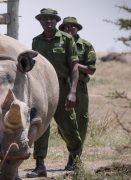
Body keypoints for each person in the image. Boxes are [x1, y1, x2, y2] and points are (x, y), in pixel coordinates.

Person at [26, 8, 83, 178]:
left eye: (51, 19)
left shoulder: (66, 39)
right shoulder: (36, 41)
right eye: (44, 19)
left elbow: (74, 67)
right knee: (40, 126)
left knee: (69, 127)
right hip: (42, 89)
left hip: (62, 87)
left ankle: (75, 160)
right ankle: (40, 165)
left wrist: (72, 92)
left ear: (56, 21)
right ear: (40, 22)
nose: (48, 22)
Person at [59, 16, 96, 170]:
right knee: (63, 125)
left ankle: (74, 159)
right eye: (66, 27)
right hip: (61, 87)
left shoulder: (85, 46)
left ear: (77, 29)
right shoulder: (59, 44)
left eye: (72, 27)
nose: (69, 29)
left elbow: (91, 69)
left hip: (79, 89)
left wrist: (74, 64)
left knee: (80, 123)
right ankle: (72, 151)